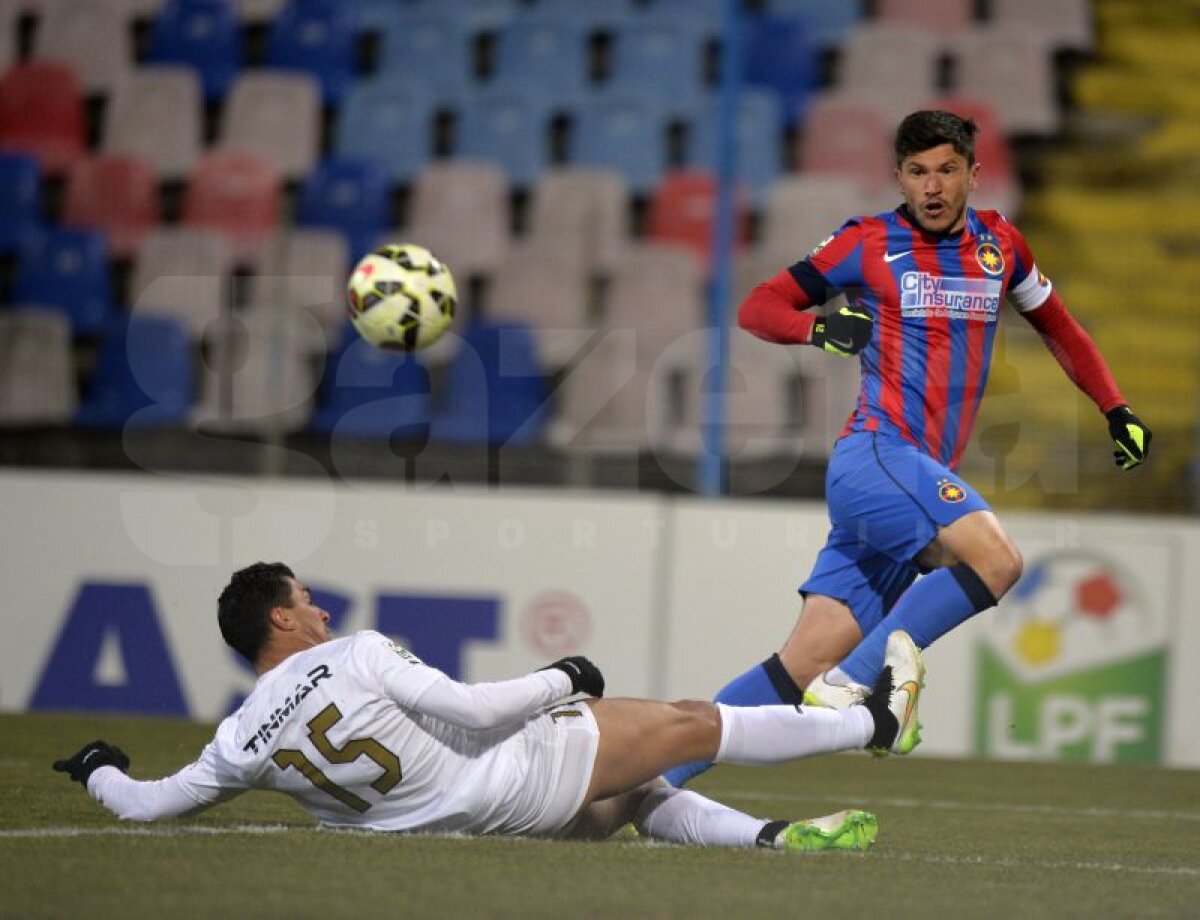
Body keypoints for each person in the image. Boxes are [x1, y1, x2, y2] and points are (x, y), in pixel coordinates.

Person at [665, 109, 1151, 787]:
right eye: (918, 172)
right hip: (875, 457)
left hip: (906, 486)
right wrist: (819, 328)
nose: (933, 186)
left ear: (974, 175)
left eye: (947, 170)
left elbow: (1061, 328)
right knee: (998, 561)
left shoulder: (1002, 247)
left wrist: (1115, 405)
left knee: (793, 667)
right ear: (898, 176)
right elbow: (758, 307)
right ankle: (855, 686)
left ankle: (652, 776)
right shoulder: (866, 243)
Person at [54, 562, 925, 852]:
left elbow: (143, 804)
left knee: (639, 796)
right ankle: (875, 723)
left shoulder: (237, 740)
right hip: (515, 773)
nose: (322, 609)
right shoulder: (352, 652)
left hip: (478, 830)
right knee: (691, 723)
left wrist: (97, 767)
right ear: (281, 618)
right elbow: (472, 712)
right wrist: (564, 678)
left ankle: (772, 842)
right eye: (306, 600)